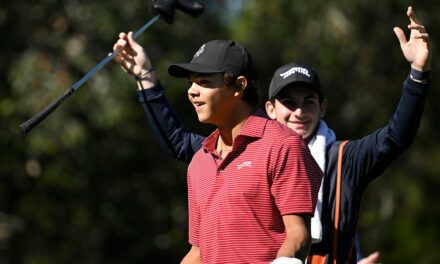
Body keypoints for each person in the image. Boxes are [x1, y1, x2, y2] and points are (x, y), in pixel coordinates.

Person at [112, 5, 431, 263]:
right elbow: (180, 143)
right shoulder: (219, 151)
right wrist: (145, 77)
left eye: (309, 103)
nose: (299, 112)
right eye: (288, 103)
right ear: (270, 108)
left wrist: (417, 74)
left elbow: (395, 138)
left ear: (323, 108)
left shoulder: (343, 158)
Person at [113, 38, 323, 263]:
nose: (192, 92)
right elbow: (199, 252)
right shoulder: (200, 161)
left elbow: (298, 233)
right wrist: (144, 75)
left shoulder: (283, 144)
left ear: (239, 86)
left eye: (204, 82)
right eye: (191, 83)